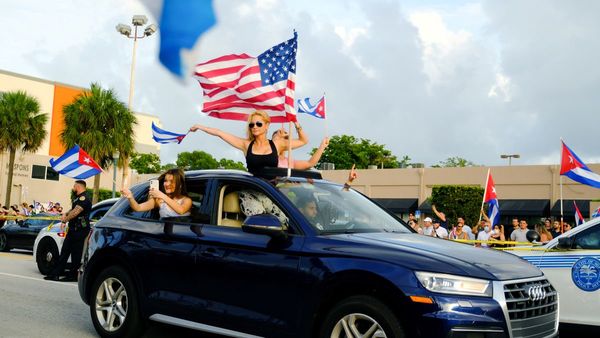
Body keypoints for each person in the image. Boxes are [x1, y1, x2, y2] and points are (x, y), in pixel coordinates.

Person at [189, 111, 308, 177]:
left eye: (259, 124)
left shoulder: (277, 144)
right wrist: (199, 126)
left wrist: (296, 122)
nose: (255, 127)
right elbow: (219, 133)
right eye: (252, 125)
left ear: (267, 126)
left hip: (272, 192)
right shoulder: (246, 145)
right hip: (252, 189)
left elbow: (303, 141)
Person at [44, 180, 92, 282]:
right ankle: (56, 274)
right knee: (64, 252)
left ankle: (72, 276)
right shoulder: (78, 198)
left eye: (74, 186)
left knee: (76, 254)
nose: (73, 188)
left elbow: (76, 211)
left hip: (79, 230)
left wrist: (65, 219)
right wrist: (65, 213)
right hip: (73, 230)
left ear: (78, 187)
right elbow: (72, 210)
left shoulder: (84, 198)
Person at [121, 168, 192, 218]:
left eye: (171, 181)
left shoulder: (186, 200)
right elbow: (138, 208)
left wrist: (162, 195)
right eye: (165, 181)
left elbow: (181, 210)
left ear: (180, 184)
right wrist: (130, 197)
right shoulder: (159, 200)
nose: (167, 184)